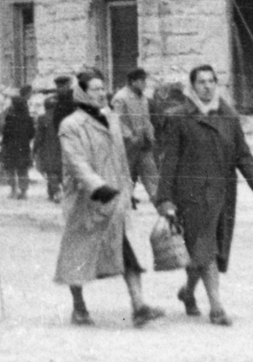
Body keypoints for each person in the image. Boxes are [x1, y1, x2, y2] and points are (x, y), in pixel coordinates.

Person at [154, 63, 253, 326]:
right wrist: (164, 199)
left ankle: (188, 292)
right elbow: (169, 162)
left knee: (206, 250)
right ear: (192, 86)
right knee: (205, 248)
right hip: (191, 197)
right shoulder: (179, 117)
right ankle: (217, 307)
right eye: (201, 82)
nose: (207, 86)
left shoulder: (228, 116)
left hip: (222, 196)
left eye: (211, 81)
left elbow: (242, 154)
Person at [57, 69, 164, 329]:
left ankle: (139, 306)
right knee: (78, 254)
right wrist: (97, 186)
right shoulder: (70, 125)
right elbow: (76, 162)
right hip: (86, 199)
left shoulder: (112, 119)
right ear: (82, 93)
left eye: (102, 88)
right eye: (94, 89)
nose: (101, 93)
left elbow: (120, 157)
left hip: (114, 198)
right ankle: (79, 307)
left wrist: (126, 189)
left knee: (125, 251)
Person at [111, 68, 158, 200]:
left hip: (144, 143)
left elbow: (146, 119)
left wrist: (151, 135)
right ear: (133, 82)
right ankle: (122, 202)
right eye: (142, 80)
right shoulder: (120, 97)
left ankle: (162, 205)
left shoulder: (143, 98)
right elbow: (117, 120)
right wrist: (130, 136)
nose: (145, 84)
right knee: (126, 175)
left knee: (151, 175)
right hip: (128, 145)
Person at [33, 76, 68, 201]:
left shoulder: (43, 118)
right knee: (61, 170)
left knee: (51, 171)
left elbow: (38, 136)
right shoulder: (64, 115)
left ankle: (56, 192)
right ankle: (56, 192)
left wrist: (35, 148)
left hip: (48, 148)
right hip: (63, 146)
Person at [0, 87, 35, 199]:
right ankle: (23, 192)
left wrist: (4, 144)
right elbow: (32, 133)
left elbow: (5, 132)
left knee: (11, 169)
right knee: (23, 169)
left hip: (10, 146)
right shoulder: (28, 118)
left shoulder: (9, 117)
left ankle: (13, 190)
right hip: (23, 147)